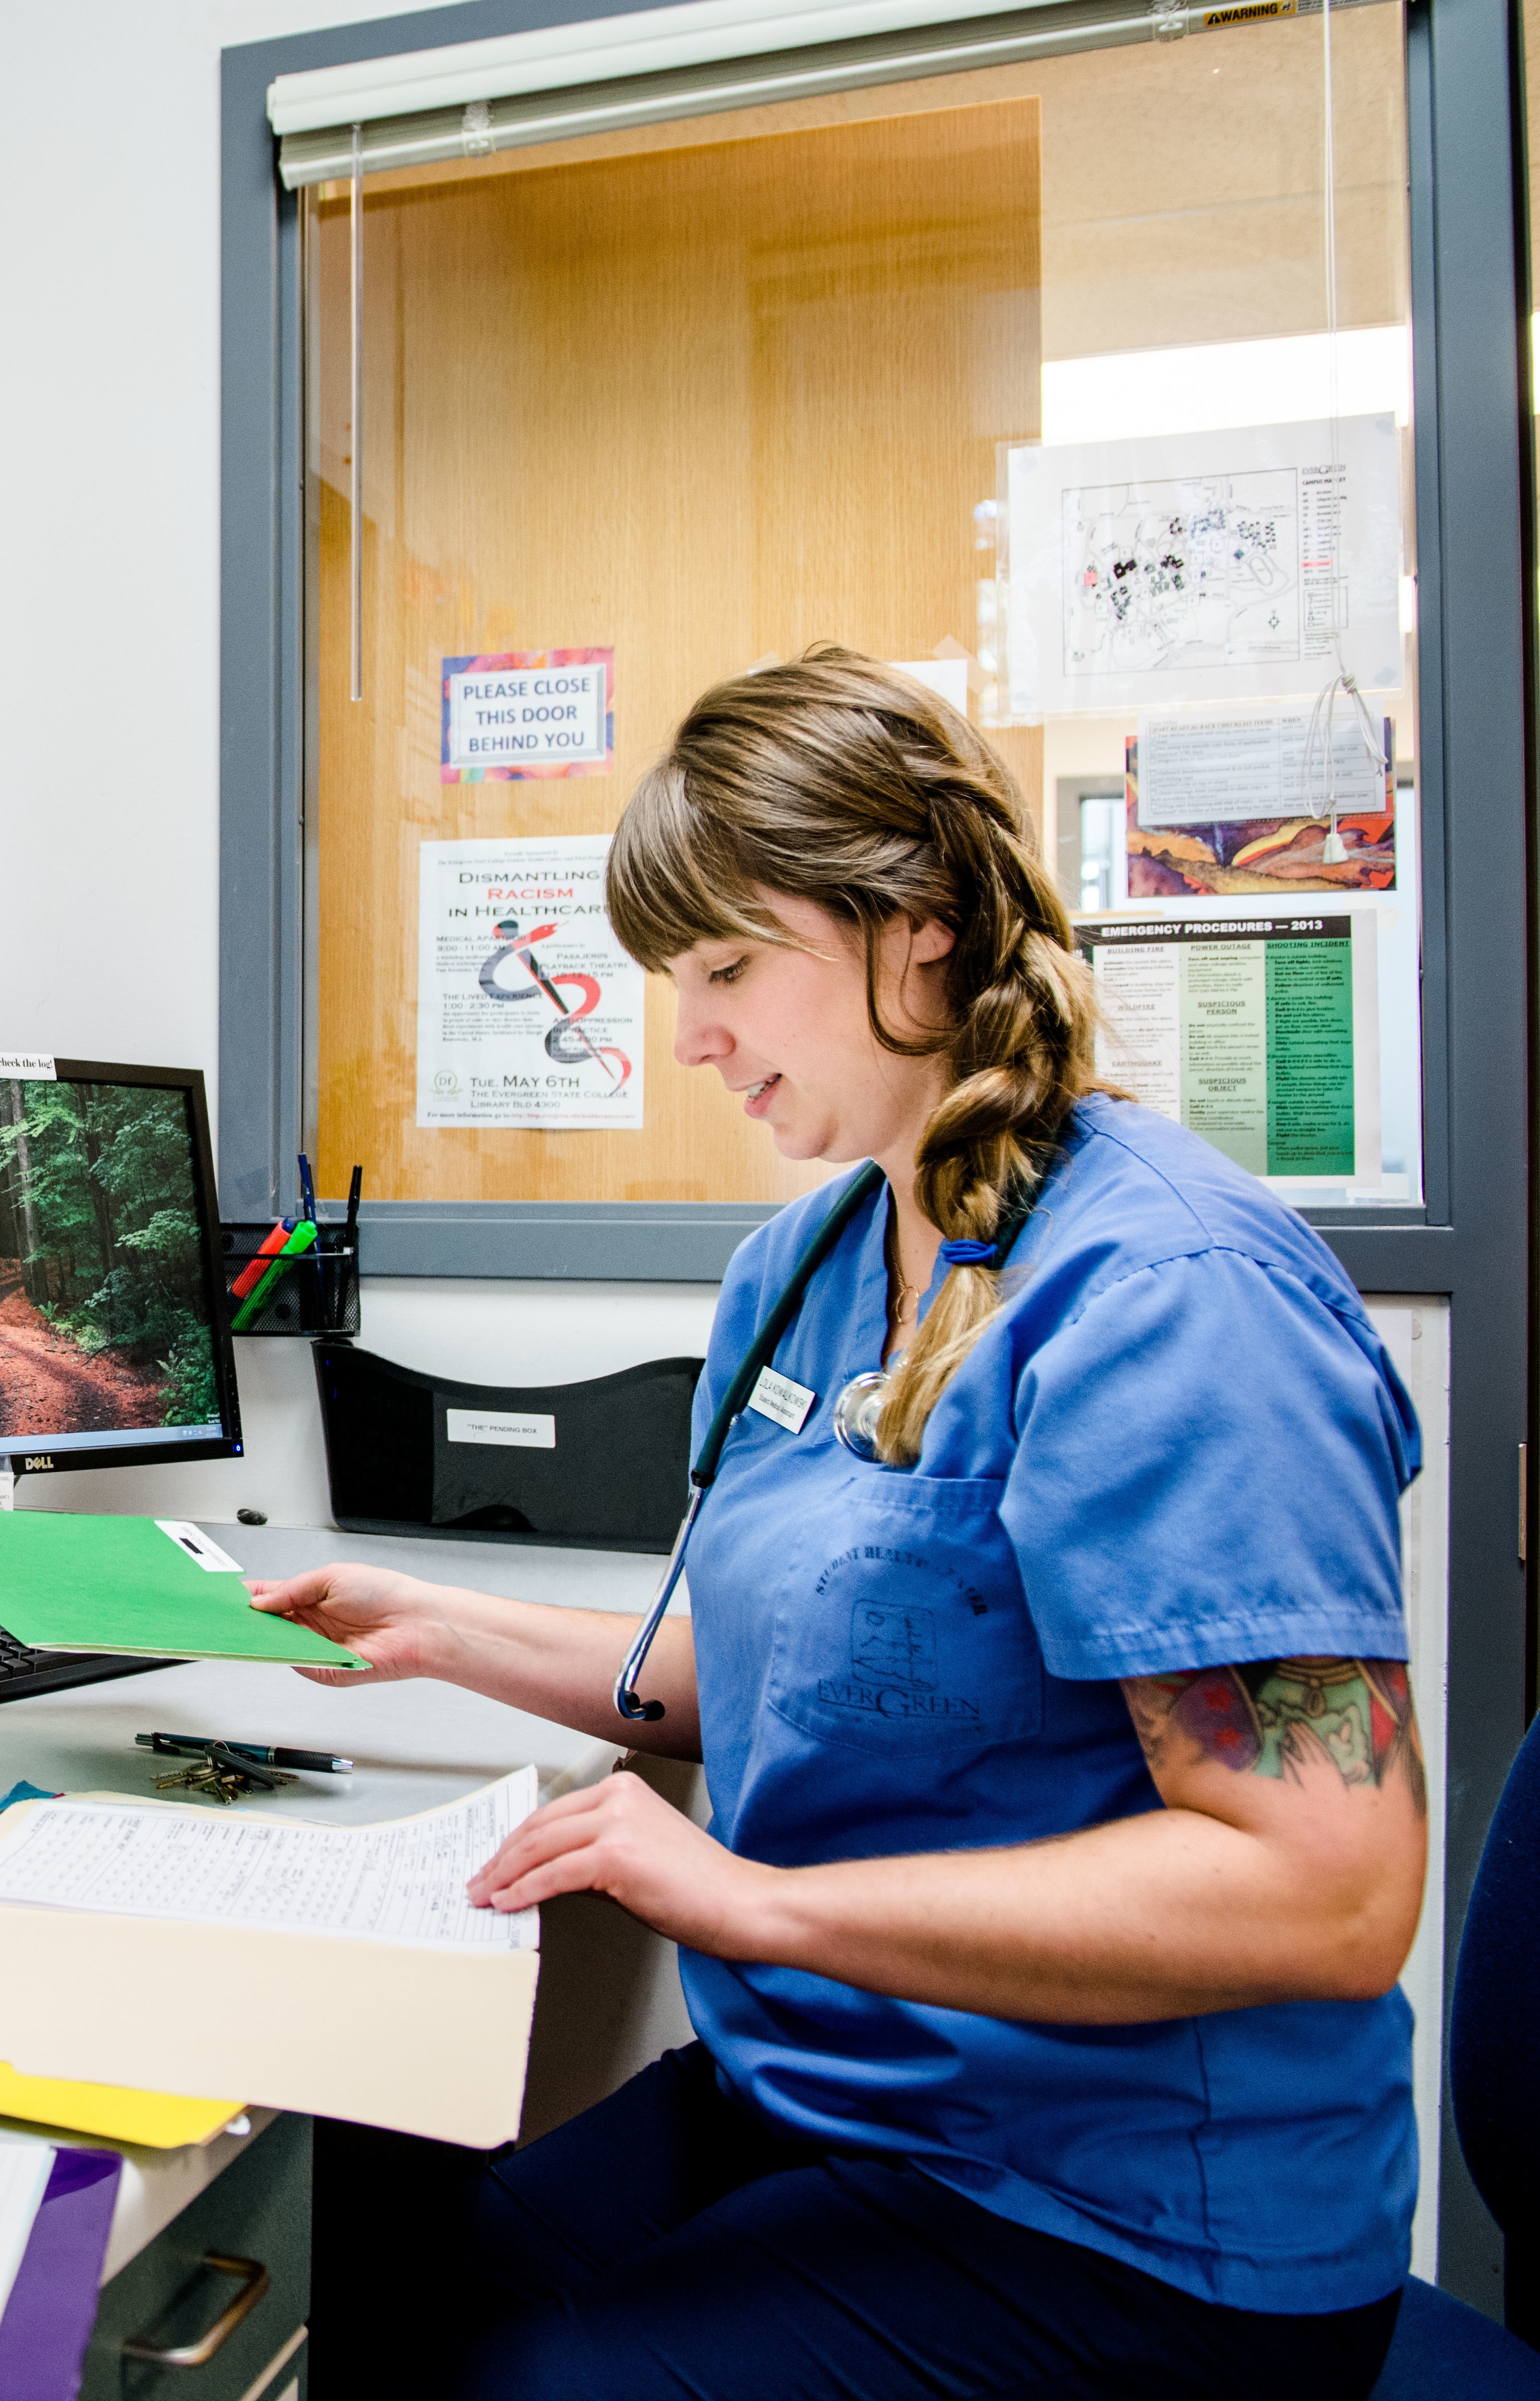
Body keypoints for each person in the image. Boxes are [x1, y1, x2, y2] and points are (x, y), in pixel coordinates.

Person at [256, 649, 1421, 2398]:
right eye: (675, 975)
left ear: (918, 922)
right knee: (378, 2285)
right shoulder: (799, 1267)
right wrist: (437, 1629)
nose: (690, 1034)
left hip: (1123, 2215)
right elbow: (800, 1680)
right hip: (826, 2095)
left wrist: (749, 1902)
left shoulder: (1168, 1293)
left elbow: (1321, 1890)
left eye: (729, 965)